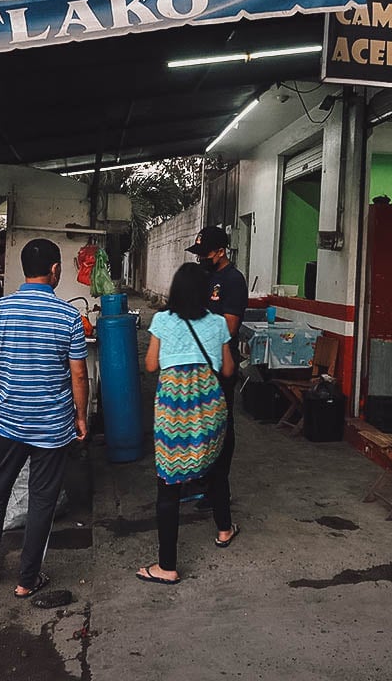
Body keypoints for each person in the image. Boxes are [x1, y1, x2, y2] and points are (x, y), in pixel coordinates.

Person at [0, 238, 89, 598]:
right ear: (55, 270)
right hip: (52, 426)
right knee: (42, 501)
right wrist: (81, 418)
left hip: (9, 423)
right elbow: (79, 375)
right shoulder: (68, 317)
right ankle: (26, 580)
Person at [137, 263, 237, 585]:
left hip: (173, 413)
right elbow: (228, 371)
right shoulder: (219, 323)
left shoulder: (162, 322)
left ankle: (167, 565)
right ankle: (224, 530)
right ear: (207, 293)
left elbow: (151, 365)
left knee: (169, 486)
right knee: (217, 470)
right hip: (210, 410)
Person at [185, 225, 247, 510]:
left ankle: (218, 488)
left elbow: (229, 327)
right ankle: (204, 479)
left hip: (220, 364)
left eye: (204, 253)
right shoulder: (204, 276)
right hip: (198, 362)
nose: (200, 258)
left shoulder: (233, 281)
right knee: (199, 424)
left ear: (220, 252)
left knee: (221, 425)